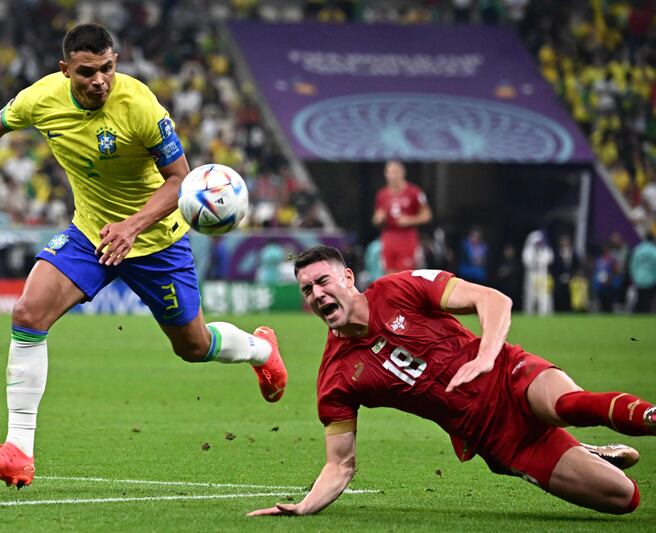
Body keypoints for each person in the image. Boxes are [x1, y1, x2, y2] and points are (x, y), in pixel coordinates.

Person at [0, 23, 286, 489]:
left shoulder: (139, 105)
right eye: (87, 72)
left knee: (193, 347)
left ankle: (260, 349)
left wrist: (133, 226)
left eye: (108, 68)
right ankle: (18, 449)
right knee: (28, 312)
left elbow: (179, 179)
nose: (100, 80)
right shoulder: (42, 97)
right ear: (65, 70)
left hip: (157, 240)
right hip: (91, 234)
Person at [249, 246, 653, 517]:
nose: (317, 294)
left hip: (509, 375)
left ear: (349, 278)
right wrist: (305, 507)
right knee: (624, 499)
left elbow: (493, 299)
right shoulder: (336, 378)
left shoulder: (399, 288)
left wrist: (487, 354)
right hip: (496, 439)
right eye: (307, 290)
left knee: (567, 406)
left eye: (323, 282)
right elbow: (340, 465)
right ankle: (589, 454)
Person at [372, 160, 432, 274]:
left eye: (395, 172)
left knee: (405, 273)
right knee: (388, 273)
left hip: (407, 236)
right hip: (389, 235)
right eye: (390, 172)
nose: (392, 176)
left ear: (402, 173)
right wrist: (379, 219)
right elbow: (376, 218)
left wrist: (410, 220)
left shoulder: (414, 192)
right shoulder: (382, 194)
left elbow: (427, 215)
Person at [629, 232, 656, 313]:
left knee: (640, 298)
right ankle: (644, 313)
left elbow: (632, 265)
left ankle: (637, 313)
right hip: (651, 279)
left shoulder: (638, 250)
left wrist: (633, 276)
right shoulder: (653, 250)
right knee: (648, 300)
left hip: (639, 278)